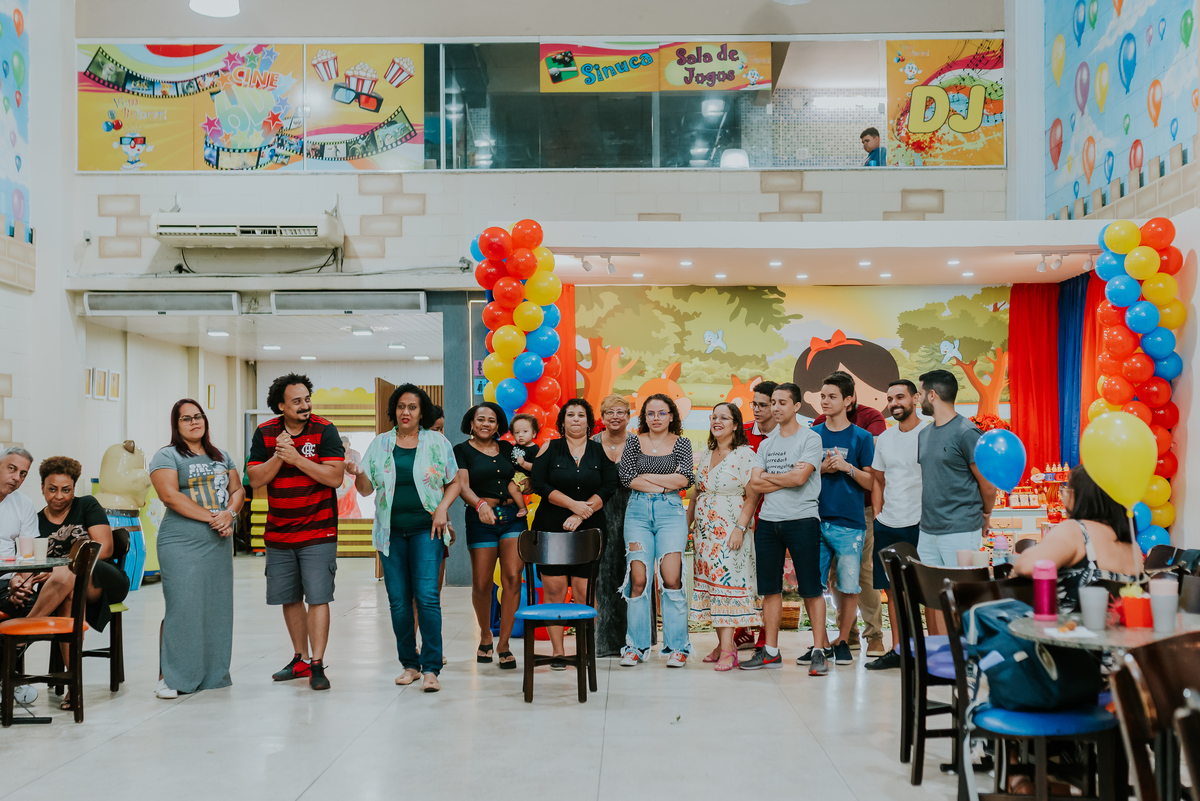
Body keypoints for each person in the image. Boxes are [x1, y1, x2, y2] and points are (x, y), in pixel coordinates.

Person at [351, 384, 459, 692]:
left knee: (427, 597)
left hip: (428, 530)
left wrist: (442, 509)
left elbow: (454, 481)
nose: (406, 412)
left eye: (412, 407)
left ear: (422, 411)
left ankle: (432, 668)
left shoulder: (437, 441)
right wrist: (357, 472)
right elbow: (365, 490)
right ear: (394, 411)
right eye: (401, 406)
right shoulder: (381, 443)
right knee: (398, 601)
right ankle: (410, 665)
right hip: (391, 534)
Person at [247, 373, 347, 692]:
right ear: (281, 406)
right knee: (289, 598)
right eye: (297, 401)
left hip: (318, 531)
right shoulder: (265, 433)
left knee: (318, 597)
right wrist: (280, 456)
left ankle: (317, 663)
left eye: (307, 399)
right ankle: (300, 659)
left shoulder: (324, 429)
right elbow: (255, 479)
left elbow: (334, 477)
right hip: (279, 533)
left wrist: (297, 458)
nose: (305, 405)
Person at [148, 401, 243, 698]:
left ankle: (211, 674)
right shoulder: (167, 455)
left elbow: (237, 490)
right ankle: (169, 677)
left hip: (218, 541)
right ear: (176, 425)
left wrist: (230, 514)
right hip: (181, 541)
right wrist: (215, 517)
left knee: (216, 608)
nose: (194, 422)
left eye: (198, 416)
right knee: (182, 607)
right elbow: (169, 496)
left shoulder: (221, 456)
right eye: (186, 418)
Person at [744, 383, 827, 674]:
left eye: (782, 402)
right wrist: (786, 477)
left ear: (796, 406)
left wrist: (773, 477)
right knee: (769, 589)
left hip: (803, 520)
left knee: (811, 589)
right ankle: (770, 651)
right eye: (773, 402)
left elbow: (800, 479)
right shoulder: (767, 444)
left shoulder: (810, 438)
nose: (776, 408)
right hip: (768, 522)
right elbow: (754, 484)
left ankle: (819, 650)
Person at [531, 398, 619, 668]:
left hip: (589, 529)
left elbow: (609, 486)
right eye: (571, 415)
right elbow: (538, 483)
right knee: (554, 590)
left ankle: (586, 650)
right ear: (563, 421)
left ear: (589, 422)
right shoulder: (549, 448)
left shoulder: (600, 451)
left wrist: (582, 513)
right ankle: (558, 652)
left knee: (584, 592)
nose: (576, 419)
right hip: (552, 530)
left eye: (581, 415)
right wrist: (572, 505)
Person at [813, 370, 887, 658]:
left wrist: (847, 468)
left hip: (854, 518)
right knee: (827, 581)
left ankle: (873, 636)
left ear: (848, 399)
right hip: (818, 517)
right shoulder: (813, 433)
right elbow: (801, 475)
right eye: (822, 396)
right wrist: (822, 469)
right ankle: (842, 638)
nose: (824, 401)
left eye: (832, 396)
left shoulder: (864, 434)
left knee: (859, 577)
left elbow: (872, 481)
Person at [617, 393, 695, 668]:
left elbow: (686, 478)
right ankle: (635, 647)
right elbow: (626, 478)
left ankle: (677, 647)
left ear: (671, 416)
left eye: (662, 413)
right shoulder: (633, 441)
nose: (656, 418)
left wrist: (649, 479)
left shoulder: (682, 443)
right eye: (650, 413)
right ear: (644, 417)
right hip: (637, 513)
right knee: (638, 579)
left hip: (670, 513)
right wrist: (665, 483)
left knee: (671, 579)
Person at [916, 369, 995, 634]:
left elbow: (987, 483)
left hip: (961, 528)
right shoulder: (924, 434)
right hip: (928, 530)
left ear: (932, 395)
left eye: (920, 393)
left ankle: (967, 653)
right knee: (933, 598)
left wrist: (986, 515)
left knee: (963, 599)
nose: (918, 399)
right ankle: (942, 651)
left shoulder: (967, 432)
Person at [453, 402, 527, 671]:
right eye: (480, 419)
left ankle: (504, 644)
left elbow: (523, 474)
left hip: (513, 518)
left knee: (513, 578)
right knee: (482, 583)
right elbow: (462, 485)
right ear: (471, 424)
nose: (486, 424)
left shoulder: (508, 449)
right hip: (480, 519)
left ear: (498, 425)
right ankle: (485, 634)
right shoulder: (461, 450)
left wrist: (527, 483)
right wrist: (480, 505)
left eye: (492, 420)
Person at [689, 402, 761, 672]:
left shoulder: (745, 455)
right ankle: (722, 644)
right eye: (713, 417)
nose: (717, 422)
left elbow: (753, 495)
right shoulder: (708, 453)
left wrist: (740, 528)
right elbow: (697, 492)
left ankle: (730, 651)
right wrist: (688, 524)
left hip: (730, 530)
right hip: (704, 534)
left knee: (727, 587)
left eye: (724, 418)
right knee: (714, 588)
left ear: (735, 424)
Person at [1014, 466, 1140, 612]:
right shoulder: (1133, 547)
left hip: (1070, 625)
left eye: (1066, 490)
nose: (1063, 497)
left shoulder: (1076, 530)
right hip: (1119, 626)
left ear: (1080, 496)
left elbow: (1028, 566)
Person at [865, 380, 927, 671]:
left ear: (916, 398)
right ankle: (900, 650)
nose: (894, 403)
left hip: (922, 524)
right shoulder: (886, 438)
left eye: (900, 397)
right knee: (892, 592)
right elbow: (878, 479)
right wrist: (878, 515)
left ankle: (927, 652)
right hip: (888, 524)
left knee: (926, 591)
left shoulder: (929, 433)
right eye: (890, 399)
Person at [734, 380, 777, 651]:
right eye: (755, 404)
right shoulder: (742, 434)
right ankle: (743, 629)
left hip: (770, 517)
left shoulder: (786, 436)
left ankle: (765, 633)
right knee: (741, 575)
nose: (757, 410)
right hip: (741, 516)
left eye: (763, 405)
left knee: (765, 579)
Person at [592, 394, 632, 657]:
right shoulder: (591, 444)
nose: (615, 417)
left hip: (634, 511)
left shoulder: (639, 443)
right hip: (598, 512)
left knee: (633, 574)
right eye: (609, 412)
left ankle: (635, 640)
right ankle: (603, 642)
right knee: (601, 576)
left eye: (620, 412)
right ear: (602, 417)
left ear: (628, 416)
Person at [0, 447, 35, 562]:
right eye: (11, 468)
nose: (17, 478)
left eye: (23, 474)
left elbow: (27, 556)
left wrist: (21, 575)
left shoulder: (25, 504)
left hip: (7, 571)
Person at [336, 436, 362, 519]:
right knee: (340, 499)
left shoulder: (355, 454)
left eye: (346, 447)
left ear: (349, 444)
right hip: (340, 478)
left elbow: (358, 467)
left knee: (351, 498)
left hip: (351, 479)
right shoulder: (336, 453)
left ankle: (350, 516)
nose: (344, 449)